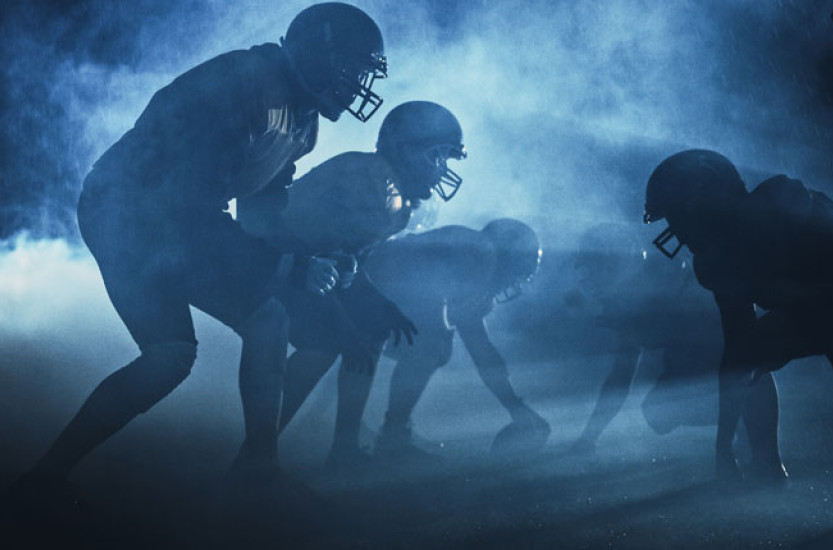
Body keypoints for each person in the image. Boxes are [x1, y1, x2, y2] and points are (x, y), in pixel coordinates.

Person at [15, 2, 389, 497]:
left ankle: (256, 467)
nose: (358, 84)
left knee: (258, 324)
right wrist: (292, 264)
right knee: (170, 355)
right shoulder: (241, 85)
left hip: (166, 217)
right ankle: (45, 477)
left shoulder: (300, 116)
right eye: (352, 69)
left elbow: (258, 211)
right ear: (321, 55)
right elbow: (190, 210)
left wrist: (313, 255)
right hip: (126, 214)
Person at [238, 101, 468, 469]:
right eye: (437, 156)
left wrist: (379, 304)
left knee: (373, 326)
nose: (442, 168)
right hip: (269, 263)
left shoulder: (389, 192)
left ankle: (343, 447)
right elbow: (314, 257)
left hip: (302, 267)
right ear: (406, 149)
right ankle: (254, 453)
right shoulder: (368, 184)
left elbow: (344, 264)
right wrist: (345, 328)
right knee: (325, 342)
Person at [643, 149, 833, 482]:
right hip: (819, 316)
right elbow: (737, 354)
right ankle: (766, 464)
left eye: (676, 216)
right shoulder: (718, 260)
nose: (675, 231)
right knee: (749, 355)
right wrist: (722, 447)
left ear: (700, 205)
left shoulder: (781, 202)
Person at [279, 219, 548, 471]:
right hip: (355, 288)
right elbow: (443, 317)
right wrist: (515, 407)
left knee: (395, 345)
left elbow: (481, 349)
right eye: (517, 274)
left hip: (361, 288)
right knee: (431, 345)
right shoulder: (480, 253)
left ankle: (345, 438)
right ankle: (383, 439)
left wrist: (515, 406)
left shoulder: (476, 254)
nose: (511, 284)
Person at [566, 223, 722, 454]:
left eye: (598, 267)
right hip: (703, 355)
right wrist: (589, 436)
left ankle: (742, 416)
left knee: (665, 410)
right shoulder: (630, 296)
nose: (593, 281)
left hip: (725, 352)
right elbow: (621, 374)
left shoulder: (671, 283)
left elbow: (700, 331)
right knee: (658, 413)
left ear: (616, 264)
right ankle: (739, 417)